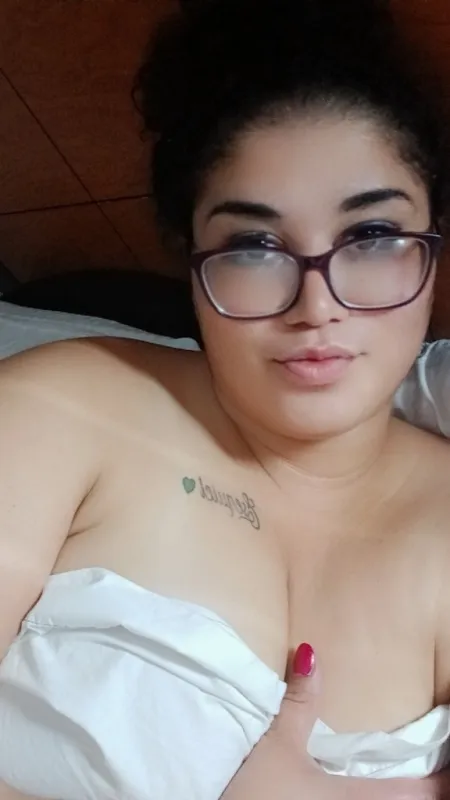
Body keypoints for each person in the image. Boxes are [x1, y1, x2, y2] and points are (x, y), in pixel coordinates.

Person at [1, 0, 450, 797]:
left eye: (372, 236)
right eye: (254, 246)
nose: (318, 305)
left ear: (433, 250)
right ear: (191, 258)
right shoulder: (64, 410)